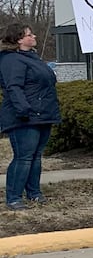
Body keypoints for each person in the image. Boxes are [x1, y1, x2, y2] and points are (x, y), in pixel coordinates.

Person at [1, 22, 61, 210]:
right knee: (24, 157)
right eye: (29, 34)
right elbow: (13, 87)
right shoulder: (11, 60)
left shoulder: (33, 58)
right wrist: (24, 110)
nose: (34, 36)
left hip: (42, 115)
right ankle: (14, 197)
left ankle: (34, 193)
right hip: (24, 117)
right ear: (19, 39)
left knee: (35, 156)